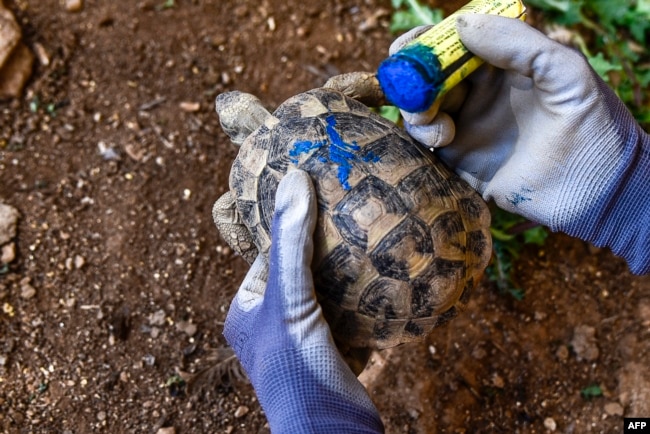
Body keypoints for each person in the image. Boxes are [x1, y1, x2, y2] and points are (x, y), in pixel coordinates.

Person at [217, 14, 650, 433]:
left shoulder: (242, 186)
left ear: (236, 130)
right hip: (440, 233)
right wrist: (634, 195)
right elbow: (348, 89)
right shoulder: (317, 101)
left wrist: (313, 422)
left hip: (372, 300)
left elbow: (229, 216)